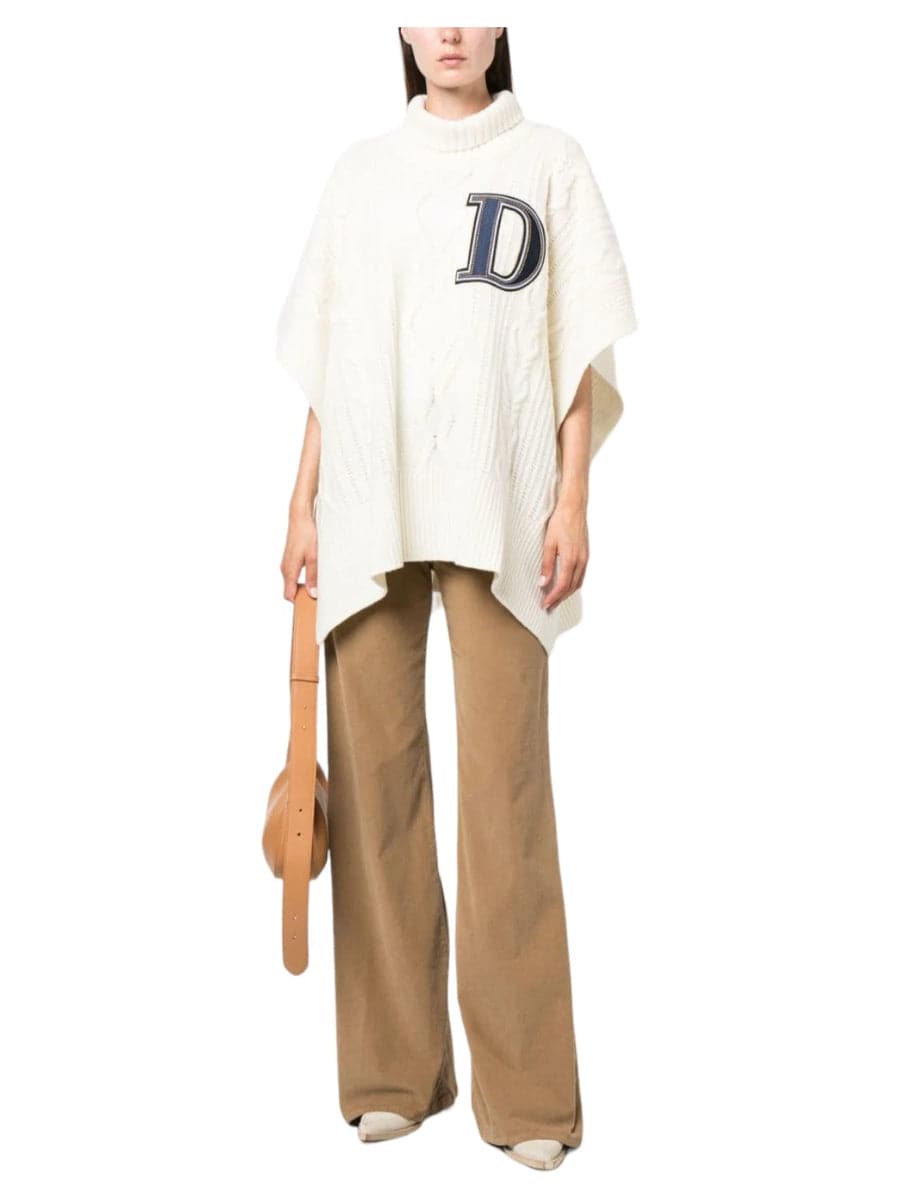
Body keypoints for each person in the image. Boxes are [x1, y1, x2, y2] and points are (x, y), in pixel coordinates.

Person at [275, 27, 637, 1173]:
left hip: (502, 501)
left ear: (501, 26)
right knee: (374, 783)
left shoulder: (550, 163)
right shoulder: (360, 176)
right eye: (428, 10)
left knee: (505, 794)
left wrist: (573, 498)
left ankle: (528, 1094)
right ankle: (395, 1073)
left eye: (473, 10)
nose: (449, 30)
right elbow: (333, 361)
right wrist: (302, 503)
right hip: (369, 497)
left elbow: (572, 352)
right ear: (400, 28)